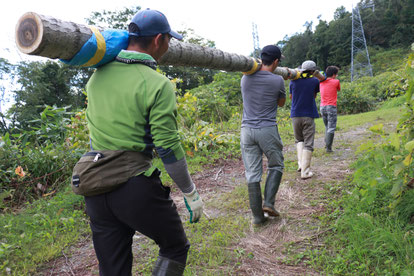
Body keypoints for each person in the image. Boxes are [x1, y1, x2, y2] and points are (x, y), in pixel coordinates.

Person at [83, 9, 203, 275]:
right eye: (169, 40)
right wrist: (190, 191)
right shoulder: (157, 84)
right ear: (159, 40)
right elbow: (167, 146)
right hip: (133, 187)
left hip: (94, 185)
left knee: (113, 268)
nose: (169, 45)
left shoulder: (96, 78)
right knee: (174, 246)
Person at [240, 45, 286, 225]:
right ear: (276, 61)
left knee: (252, 173)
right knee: (276, 164)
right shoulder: (278, 80)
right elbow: (281, 103)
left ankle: (258, 218)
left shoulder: (245, 78)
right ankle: (268, 203)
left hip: (246, 131)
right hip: (267, 129)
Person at [289, 60, 320, 179]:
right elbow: (314, 95)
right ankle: (305, 172)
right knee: (308, 142)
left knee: (299, 140)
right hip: (308, 114)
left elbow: (291, 97)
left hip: (295, 114)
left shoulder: (293, 81)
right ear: (313, 71)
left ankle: (301, 165)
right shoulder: (314, 81)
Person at [320, 66, 341, 153]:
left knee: (327, 126)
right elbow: (338, 89)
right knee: (331, 127)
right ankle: (328, 148)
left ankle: (326, 144)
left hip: (322, 107)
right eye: (336, 74)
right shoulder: (336, 82)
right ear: (333, 74)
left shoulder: (321, 82)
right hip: (331, 107)